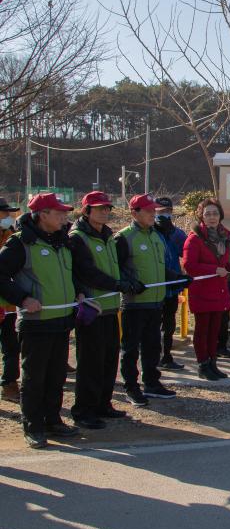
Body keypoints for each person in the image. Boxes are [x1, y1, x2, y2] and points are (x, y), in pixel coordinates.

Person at [0, 193, 82, 448]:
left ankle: (52, 420)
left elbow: (69, 274)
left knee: (56, 375)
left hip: (61, 320)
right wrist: (23, 299)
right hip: (36, 322)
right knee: (34, 377)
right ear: (42, 214)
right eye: (58, 213)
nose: (64, 217)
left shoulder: (62, 241)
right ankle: (33, 426)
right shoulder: (20, 244)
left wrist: (77, 291)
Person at [68, 192, 137, 429]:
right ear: (86, 211)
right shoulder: (77, 238)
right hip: (91, 309)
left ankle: (103, 404)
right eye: (99, 209)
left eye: (107, 208)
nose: (105, 212)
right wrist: (117, 284)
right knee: (90, 362)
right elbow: (87, 272)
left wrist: (125, 280)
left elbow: (116, 268)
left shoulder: (107, 236)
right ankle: (84, 410)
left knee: (109, 359)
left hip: (110, 308)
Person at [117, 194, 190, 406]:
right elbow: (117, 269)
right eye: (149, 211)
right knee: (130, 348)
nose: (153, 214)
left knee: (152, 346)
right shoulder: (124, 237)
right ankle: (131, 387)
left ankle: (152, 383)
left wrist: (177, 278)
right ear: (134, 213)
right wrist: (129, 283)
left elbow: (160, 267)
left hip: (155, 302)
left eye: (154, 210)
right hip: (134, 303)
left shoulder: (155, 236)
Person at [183, 198, 230, 380]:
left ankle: (213, 362)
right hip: (202, 291)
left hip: (220, 290)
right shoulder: (194, 238)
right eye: (208, 214)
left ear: (221, 216)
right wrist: (213, 270)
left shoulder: (225, 236)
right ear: (201, 217)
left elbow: (225, 263)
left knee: (215, 330)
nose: (212, 217)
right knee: (202, 330)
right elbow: (189, 265)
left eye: (215, 213)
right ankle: (202, 365)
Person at [154, 197, 188, 371]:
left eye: (167, 211)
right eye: (159, 211)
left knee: (169, 324)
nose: (163, 214)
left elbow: (187, 254)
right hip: (153, 286)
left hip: (173, 286)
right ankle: (153, 357)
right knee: (153, 325)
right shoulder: (150, 233)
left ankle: (166, 356)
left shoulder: (177, 233)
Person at [0, 197, 22, 404]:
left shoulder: (11, 237)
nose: (8, 217)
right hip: (3, 305)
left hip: (9, 305)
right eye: (4, 213)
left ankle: (9, 383)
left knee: (11, 346)